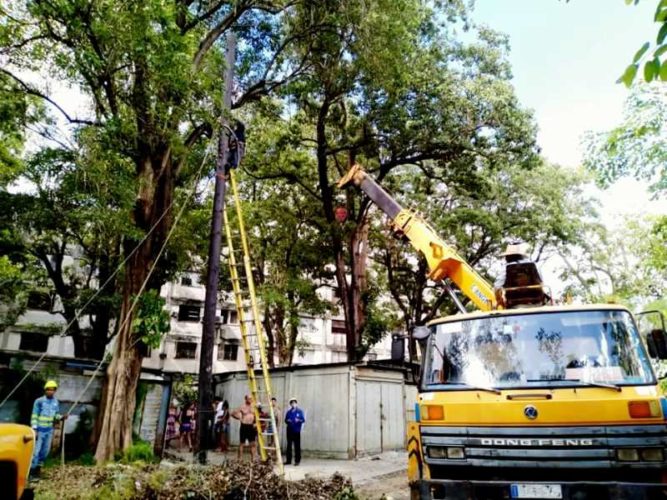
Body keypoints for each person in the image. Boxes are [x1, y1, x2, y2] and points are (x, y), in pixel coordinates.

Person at [30, 380, 66, 479]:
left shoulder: (55, 402)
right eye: (49, 390)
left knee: (45, 452)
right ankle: (31, 473)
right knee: (35, 452)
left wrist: (62, 417)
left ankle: (38, 471)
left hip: (49, 430)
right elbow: (34, 415)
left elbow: (56, 415)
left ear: (55, 391)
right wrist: (35, 429)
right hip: (39, 430)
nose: (50, 391)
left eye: (53, 390)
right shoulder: (39, 401)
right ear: (45, 390)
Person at [231, 394, 257, 461]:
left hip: (251, 427)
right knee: (242, 443)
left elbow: (256, 416)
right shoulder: (242, 407)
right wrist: (239, 418)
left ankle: (253, 459)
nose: (250, 400)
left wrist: (255, 423)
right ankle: (240, 459)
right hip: (244, 426)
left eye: (251, 398)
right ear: (245, 399)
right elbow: (232, 413)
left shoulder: (253, 407)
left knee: (253, 443)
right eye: (249, 398)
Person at [284, 397, 305, 466]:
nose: (293, 404)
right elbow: (285, 420)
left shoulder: (299, 411)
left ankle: (297, 460)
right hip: (289, 431)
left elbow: (303, 420)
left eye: (294, 402)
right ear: (290, 404)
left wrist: (298, 420)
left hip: (296, 431)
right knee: (289, 446)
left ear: (296, 403)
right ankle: (288, 460)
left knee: (297, 446)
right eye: (292, 403)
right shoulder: (288, 412)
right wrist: (288, 421)